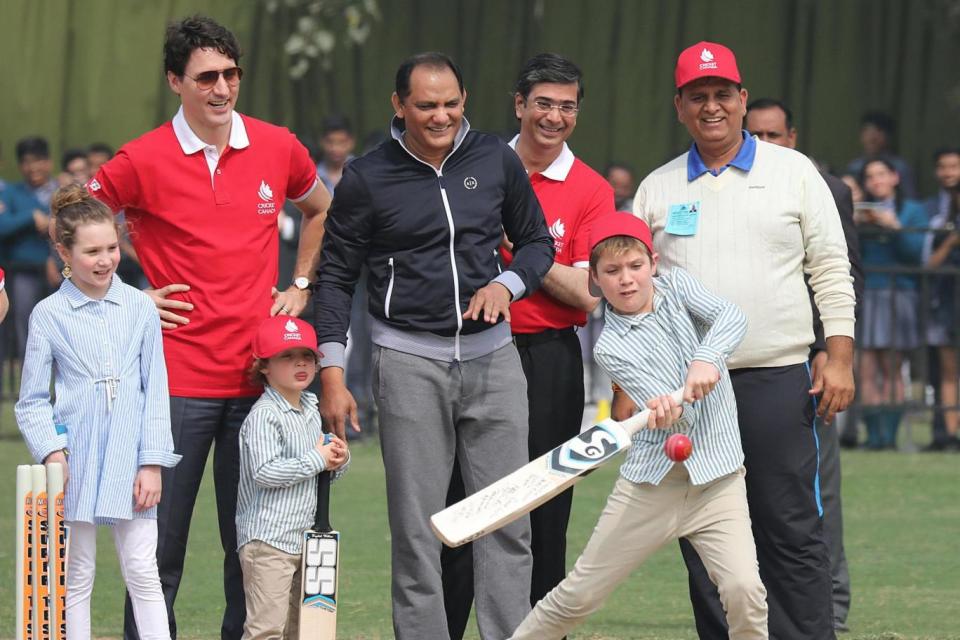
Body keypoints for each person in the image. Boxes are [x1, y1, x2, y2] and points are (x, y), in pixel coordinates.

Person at [85, 15, 331, 638]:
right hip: (175, 384)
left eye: (231, 74)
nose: (221, 88)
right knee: (156, 555)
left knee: (250, 550)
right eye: (205, 77)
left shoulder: (279, 145)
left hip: (259, 385)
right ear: (176, 81)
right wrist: (126, 292)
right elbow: (76, 213)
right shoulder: (141, 158)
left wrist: (299, 284)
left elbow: (323, 206)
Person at [314, 52, 554, 639]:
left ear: (465, 99)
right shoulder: (367, 178)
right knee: (418, 530)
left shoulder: (496, 158)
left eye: (451, 103)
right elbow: (336, 278)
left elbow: (537, 243)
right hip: (408, 363)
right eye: (426, 106)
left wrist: (507, 283)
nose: (441, 115)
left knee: (507, 522)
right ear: (400, 106)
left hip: (494, 361)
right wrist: (333, 372)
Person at [625, 41, 856, 639]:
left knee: (792, 530)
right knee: (707, 539)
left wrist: (838, 358)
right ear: (678, 105)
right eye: (697, 96)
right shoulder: (657, 188)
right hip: (692, 394)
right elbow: (635, 293)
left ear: (742, 100)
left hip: (777, 379)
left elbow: (830, 268)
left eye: (722, 94)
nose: (711, 107)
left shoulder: (795, 173)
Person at [511, 213, 767, 639]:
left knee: (745, 591)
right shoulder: (612, 347)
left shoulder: (680, 287)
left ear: (653, 262)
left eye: (635, 266)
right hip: (651, 488)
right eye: (612, 272)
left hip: (719, 482)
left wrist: (706, 357)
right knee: (579, 595)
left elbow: (731, 318)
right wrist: (670, 406)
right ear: (594, 279)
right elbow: (670, 410)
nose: (626, 280)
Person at [441, 52, 613, 636]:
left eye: (567, 107)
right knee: (463, 505)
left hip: (547, 358)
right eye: (543, 103)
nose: (554, 117)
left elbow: (589, 294)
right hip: (469, 349)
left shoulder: (589, 188)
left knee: (544, 507)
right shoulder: (475, 163)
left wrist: (521, 242)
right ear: (519, 105)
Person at [16, 185, 181, 639]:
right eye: (92, 251)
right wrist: (52, 452)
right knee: (76, 576)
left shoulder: (139, 308)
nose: (105, 259)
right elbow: (32, 400)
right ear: (64, 251)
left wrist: (152, 463)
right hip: (77, 463)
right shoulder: (48, 315)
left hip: (132, 460)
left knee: (144, 573)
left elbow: (156, 389)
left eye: (111, 247)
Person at [745, 97, 863, 632]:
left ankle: (829, 612)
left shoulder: (822, 187)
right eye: (757, 136)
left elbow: (839, 274)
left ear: (793, 138)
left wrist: (827, 352)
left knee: (814, 498)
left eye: (774, 135)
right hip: (738, 373)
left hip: (804, 367)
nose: (765, 145)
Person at [235, 315, 348, 638]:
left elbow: (320, 473)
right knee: (266, 629)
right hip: (268, 541)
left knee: (304, 629)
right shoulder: (264, 417)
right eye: (287, 356)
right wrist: (317, 458)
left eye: (307, 356)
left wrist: (337, 460)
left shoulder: (313, 407)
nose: (300, 363)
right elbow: (265, 472)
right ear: (264, 366)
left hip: (306, 538)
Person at [856, 157, 927, 449]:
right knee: (866, 366)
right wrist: (857, 224)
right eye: (870, 176)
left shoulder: (913, 211)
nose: (876, 181)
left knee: (893, 366)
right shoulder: (858, 211)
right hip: (868, 291)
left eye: (882, 174)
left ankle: (889, 436)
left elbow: (917, 254)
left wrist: (894, 227)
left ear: (895, 177)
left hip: (899, 292)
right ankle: (873, 437)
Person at [0, 136, 57, 361]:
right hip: (23, 272)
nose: (33, 167)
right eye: (27, 162)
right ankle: (29, 367)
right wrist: (31, 216)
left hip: (62, 271)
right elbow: (2, 226)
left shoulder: (62, 190)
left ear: (49, 162)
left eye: (39, 160)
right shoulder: (10, 194)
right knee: (24, 317)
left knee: (62, 319)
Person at [922, 147, 960, 451]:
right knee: (947, 371)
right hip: (947, 304)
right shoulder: (940, 223)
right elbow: (928, 263)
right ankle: (949, 434)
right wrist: (952, 242)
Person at [845, 111, 916, 199]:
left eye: (878, 131)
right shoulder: (854, 167)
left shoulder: (900, 167)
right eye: (867, 131)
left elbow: (910, 199)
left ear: (888, 136)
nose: (872, 137)